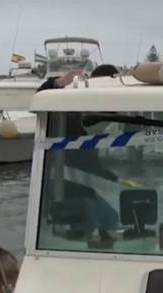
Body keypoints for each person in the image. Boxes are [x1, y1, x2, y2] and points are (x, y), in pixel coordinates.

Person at [39, 65, 124, 242]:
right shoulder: (68, 119)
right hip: (62, 193)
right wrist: (59, 83)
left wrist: (116, 179)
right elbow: (40, 98)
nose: (109, 119)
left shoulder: (95, 132)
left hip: (83, 192)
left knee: (110, 217)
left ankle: (100, 236)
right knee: (103, 216)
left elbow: (91, 166)